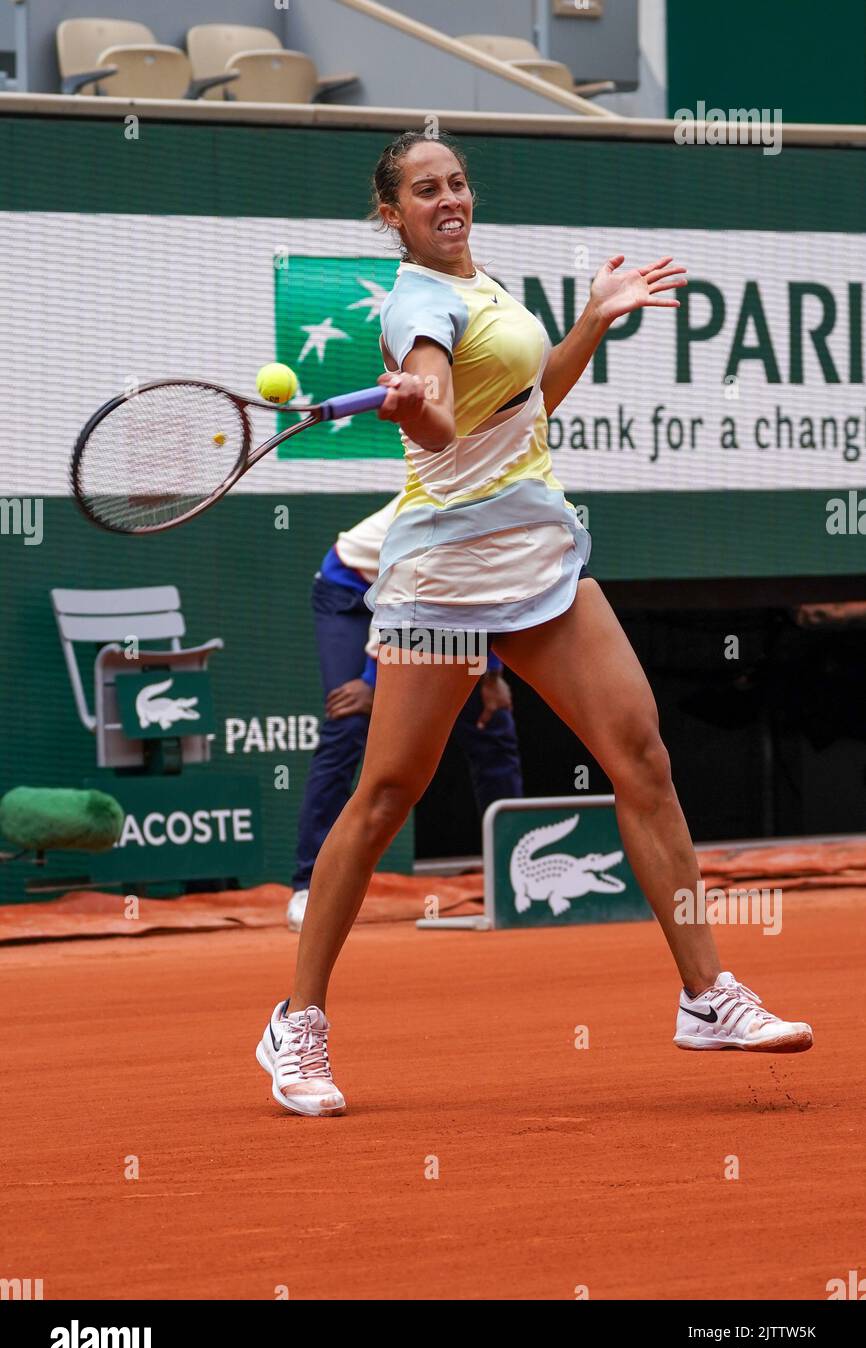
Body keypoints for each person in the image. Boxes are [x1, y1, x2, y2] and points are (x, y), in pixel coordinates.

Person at [256, 131, 812, 1117]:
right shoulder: (418, 303)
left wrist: (591, 320)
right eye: (424, 189)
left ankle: (704, 995)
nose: (448, 198)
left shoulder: (486, 290)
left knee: (639, 757)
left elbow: (526, 405)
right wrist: (416, 404)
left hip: (538, 559)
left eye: (456, 181)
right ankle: (296, 1021)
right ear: (390, 213)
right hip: (440, 578)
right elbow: (434, 418)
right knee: (384, 797)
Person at [287, 495, 523, 929]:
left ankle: (511, 873)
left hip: (432, 603)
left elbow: (491, 596)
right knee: (349, 720)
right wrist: (373, 682)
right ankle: (308, 886)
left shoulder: (510, 512)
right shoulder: (442, 504)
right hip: (352, 590)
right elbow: (400, 592)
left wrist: (491, 676)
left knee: (492, 722)